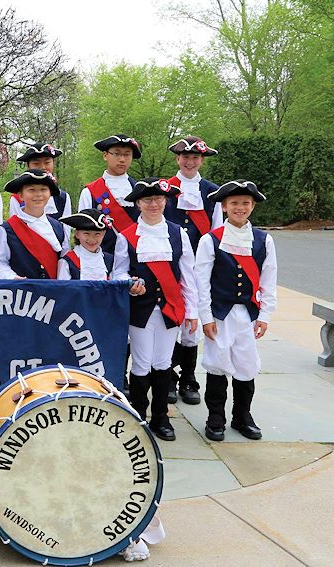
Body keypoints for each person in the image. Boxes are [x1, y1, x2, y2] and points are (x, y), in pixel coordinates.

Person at [115, 178, 198, 441]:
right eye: (147, 200)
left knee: (163, 362)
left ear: (166, 201)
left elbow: (188, 276)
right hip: (140, 310)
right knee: (140, 362)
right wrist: (130, 284)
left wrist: (192, 311)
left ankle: (161, 417)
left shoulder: (178, 234)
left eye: (158, 199)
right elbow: (118, 271)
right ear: (138, 203)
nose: (153, 204)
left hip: (170, 308)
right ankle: (139, 416)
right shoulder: (125, 236)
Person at [195, 180, 277, 442]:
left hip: (248, 315)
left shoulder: (264, 240)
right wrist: (206, 316)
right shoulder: (211, 240)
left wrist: (265, 315)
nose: (240, 208)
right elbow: (201, 281)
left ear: (252, 206)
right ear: (224, 207)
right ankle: (215, 417)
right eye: (234, 203)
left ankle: (242, 416)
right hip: (220, 313)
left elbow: (268, 280)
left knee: (247, 364)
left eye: (245, 203)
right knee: (217, 364)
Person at [164, 136, 224, 405]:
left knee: (191, 325)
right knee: (166, 320)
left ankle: (188, 377)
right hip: (167, 264)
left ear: (202, 161)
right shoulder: (165, 188)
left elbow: (216, 232)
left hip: (198, 267)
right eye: (185, 157)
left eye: (195, 158)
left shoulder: (212, 192)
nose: (190, 162)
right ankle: (166, 377)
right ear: (177, 159)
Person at [0, 169, 70, 279]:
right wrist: (13, 278)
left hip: (53, 293)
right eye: (31, 190)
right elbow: (0, 263)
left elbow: (65, 261)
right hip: (21, 292)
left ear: (50, 194)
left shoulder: (58, 227)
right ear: (21, 195)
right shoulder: (7, 229)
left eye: (43, 190)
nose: (38, 194)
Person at [78, 134, 142, 255]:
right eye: (116, 154)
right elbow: (83, 230)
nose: (122, 159)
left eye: (127, 154)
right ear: (105, 155)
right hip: (102, 259)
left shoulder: (140, 190)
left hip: (135, 257)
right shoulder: (89, 192)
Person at [57, 208, 139, 289]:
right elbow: (62, 292)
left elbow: (116, 286)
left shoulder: (109, 260)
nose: (92, 239)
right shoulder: (67, 262)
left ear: (104, 234)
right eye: (86, 233)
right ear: (77, 234)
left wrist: (129, 284)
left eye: (97, 234)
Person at [9, 143, 72, 221]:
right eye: (36, 163)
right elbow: (13, 228)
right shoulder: (17, 198)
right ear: (28, 166)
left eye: (47, 162)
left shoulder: (63, 198)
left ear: (53, 164)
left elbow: (65, 231)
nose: (42, 167)